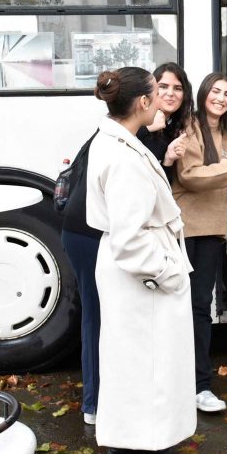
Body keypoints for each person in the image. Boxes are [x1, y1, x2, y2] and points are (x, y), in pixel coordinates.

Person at [61, 62, 192, 426]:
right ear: (142, 102)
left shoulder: (121, 132)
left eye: (174, 88)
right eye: (158, 89)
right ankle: (96, 404)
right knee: (98, 317)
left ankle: (108, 406)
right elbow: (130, 229)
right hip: (89, 234)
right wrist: (169, 273)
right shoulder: (125, 144)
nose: (164, 96)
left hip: (93, 230)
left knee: (108, 320)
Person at [172, 72, 227, 414]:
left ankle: (200, 386)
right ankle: (181, 384)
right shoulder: (190, 126)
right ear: (204, 93)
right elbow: (189, 176)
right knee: (181, 309)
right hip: (187, 229)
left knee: (201, 308)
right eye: (215, 91)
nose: (220, 98)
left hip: (213, 230)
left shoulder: (226, 132)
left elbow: (223, 180)